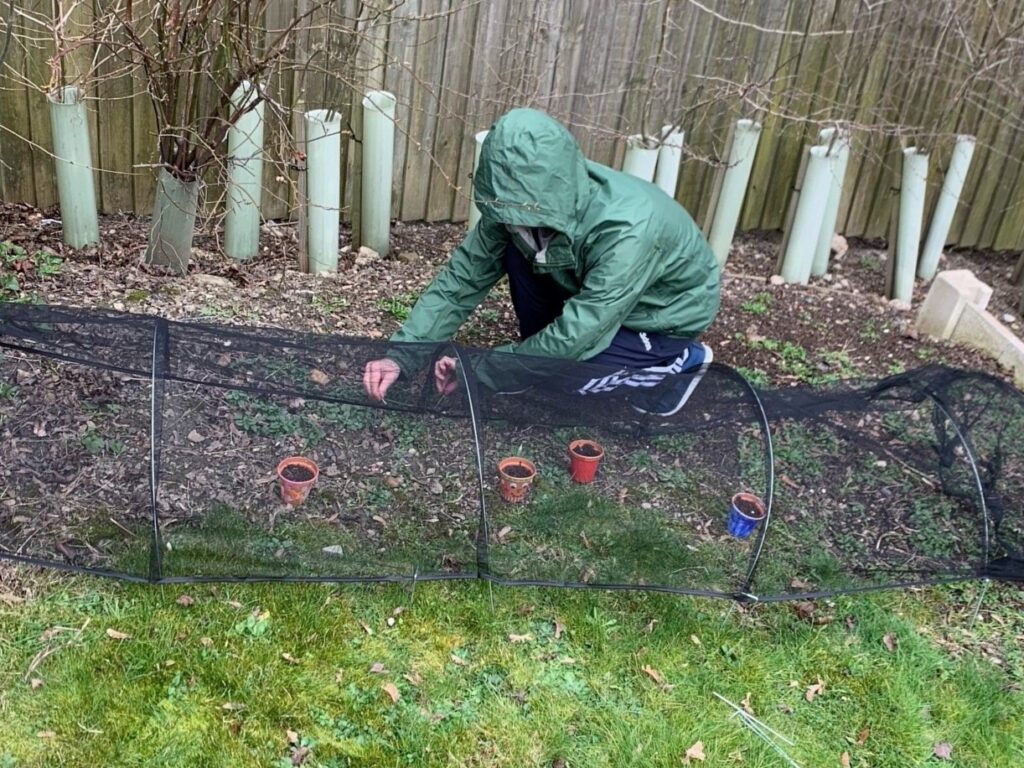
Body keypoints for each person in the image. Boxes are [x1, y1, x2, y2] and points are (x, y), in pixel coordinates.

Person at [363, 107, 721, 416]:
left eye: (520, 210)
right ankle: (531, 363)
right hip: (591, 286)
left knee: (570, 377)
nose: (510, 220)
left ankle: (679, 362)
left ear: (550, 189)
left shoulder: (627, 231)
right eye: (506, 209)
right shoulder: (510, 207)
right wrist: (402, 357)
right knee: (525, 286)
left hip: (661, 313)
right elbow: (461, 282)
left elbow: (578, 336)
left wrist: (483, 371)